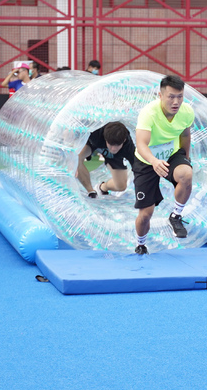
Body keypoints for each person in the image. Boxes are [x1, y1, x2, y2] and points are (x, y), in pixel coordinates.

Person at [132, 75, 195, 255]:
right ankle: (141, 244)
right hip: (146, 160)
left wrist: (186, 158)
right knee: (146, 214)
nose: (176, 102)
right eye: (171, 97)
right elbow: (141, 143)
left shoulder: (186, 112)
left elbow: (185, 135)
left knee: (186, 174)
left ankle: (175, 216)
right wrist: (154, 161)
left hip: (171, 154)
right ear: (160, 95)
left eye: (180, 96)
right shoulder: (149, 113)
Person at [77, 122, 135, 198]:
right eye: (111, 144)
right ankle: (91, 192)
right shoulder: (96, 134)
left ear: (124, 141)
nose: (113, 149)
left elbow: (138, 169)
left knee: (121, 186)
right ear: (105, 139)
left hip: (114, 156)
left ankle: (102, 188)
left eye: (117, 145)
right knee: (77, 157)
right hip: (93, 145)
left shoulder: (128, 147)